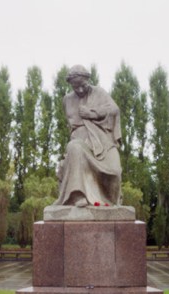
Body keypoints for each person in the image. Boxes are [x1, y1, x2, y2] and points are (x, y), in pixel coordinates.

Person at [54, 65, 122, 207]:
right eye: (75, 86)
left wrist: (94, 114)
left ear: (88, 80)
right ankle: (78, 195)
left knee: (115, 172)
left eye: (83, 85)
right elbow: (72, 126)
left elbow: (114, 110)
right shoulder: (67, 100)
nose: (79, 89)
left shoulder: (99, 92)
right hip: (80, 141)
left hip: (101, 140)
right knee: (74, 147)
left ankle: (110, 201)